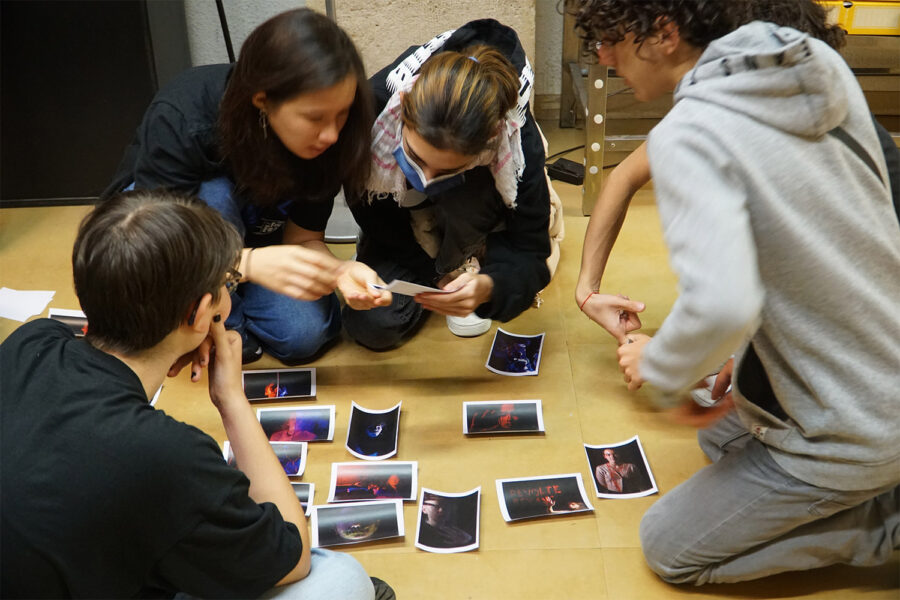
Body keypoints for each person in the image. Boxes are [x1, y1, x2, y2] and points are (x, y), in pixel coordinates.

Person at [573, 0, 900, 586]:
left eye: (613, 41)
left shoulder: (690, 132)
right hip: (882, 378)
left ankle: (883, 523)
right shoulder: (814, 64)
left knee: (668, 549)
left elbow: (721, 303)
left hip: (859, 426)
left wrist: (664, 365)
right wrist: (746, 358)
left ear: (666, 34)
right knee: (722, 436)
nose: (603, 57)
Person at [0, 191, 386, 599]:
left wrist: (177, 341)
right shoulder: (167, 454)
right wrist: (231, 399)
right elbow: (293, 557)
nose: (229, 291)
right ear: (201, 313)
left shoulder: (31, 341)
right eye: (228, 283)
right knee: (340, 578)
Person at [574, 0, 900, 343]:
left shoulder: (813, 157)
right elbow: (623, 176)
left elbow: (811, 307)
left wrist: (665, 359)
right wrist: (587, 290)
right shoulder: (744, 107)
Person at [104, 8, 390, 365]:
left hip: (253, 240)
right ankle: (217, 318)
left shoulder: (330, 142)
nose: (331, 134)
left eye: (342, 113)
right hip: (166, 244)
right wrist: (247, 263)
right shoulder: (184, 116)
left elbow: (302, 239)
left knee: (305, 335)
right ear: (262, 100)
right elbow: (152, 242)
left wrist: (340, 271)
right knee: (216, 195)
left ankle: (218, 310)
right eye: (314, 118)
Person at [343, 19, 562, 349]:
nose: (426, 177)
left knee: (515, 258)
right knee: (375, 325)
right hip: (407, 218)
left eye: (445, 168)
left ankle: (489, 235)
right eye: (416, 156)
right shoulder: (374, 110)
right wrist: (434, 275)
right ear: (403, 108)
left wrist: (489, 288)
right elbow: (372, 214)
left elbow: (530, 255)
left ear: (492, 141)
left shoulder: (516, 141)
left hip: (480, 202)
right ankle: (451, 252)